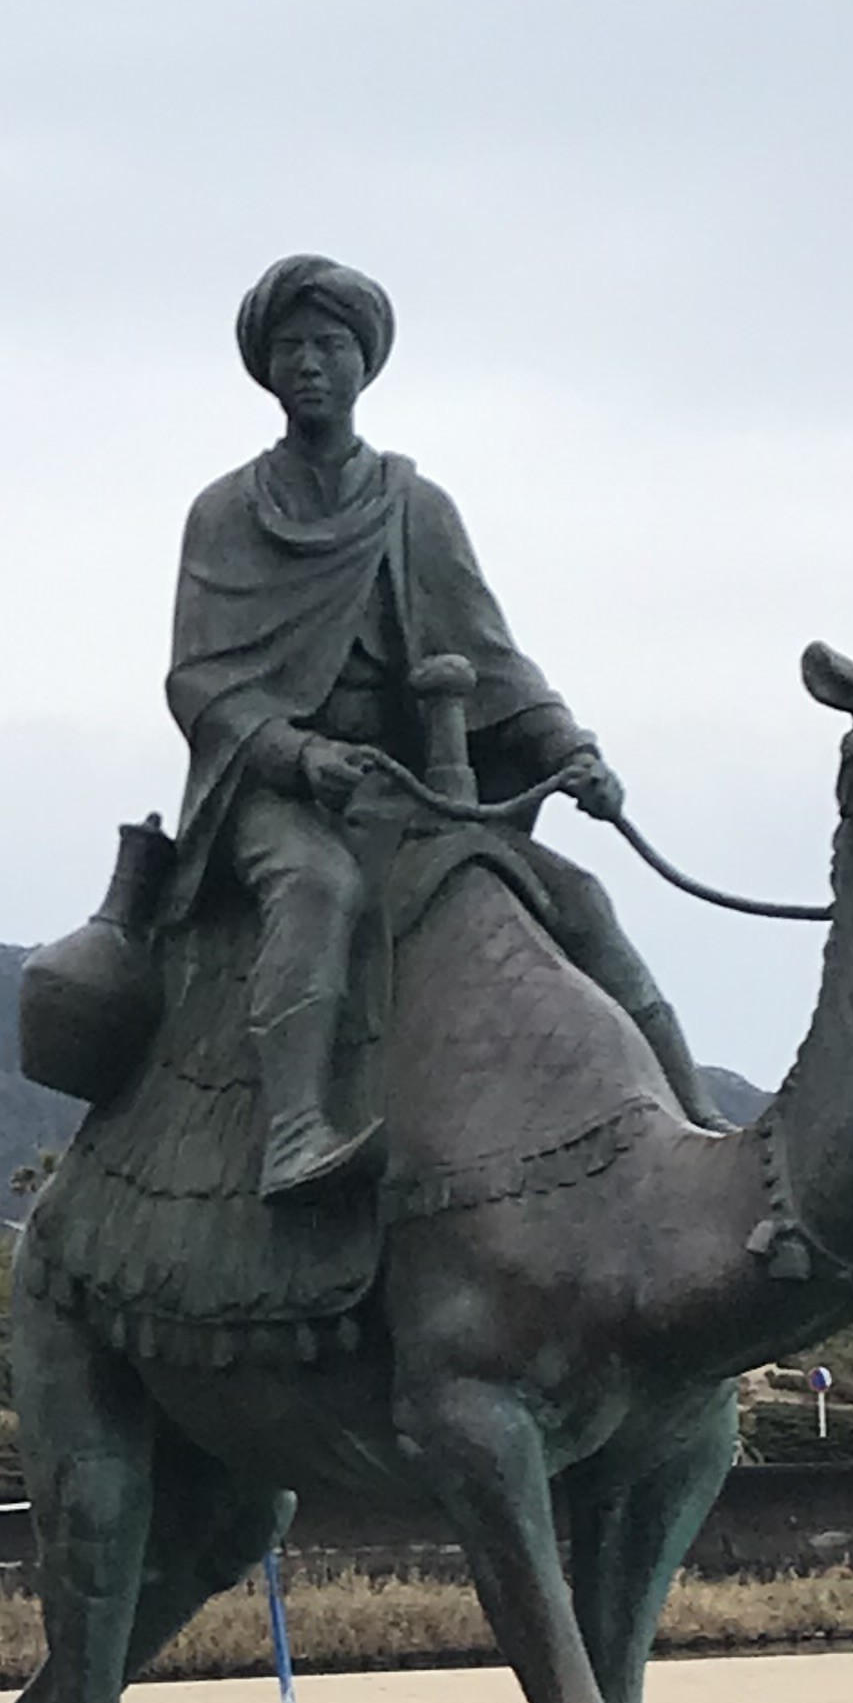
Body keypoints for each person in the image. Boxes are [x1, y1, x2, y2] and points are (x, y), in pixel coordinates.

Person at [166, 256, 716, 1199]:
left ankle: (699, 1123)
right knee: (316, 886)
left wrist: (566, 746)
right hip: (282, 790)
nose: (309, 365)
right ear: (265, 364)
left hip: (412, 789)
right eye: (291, 347)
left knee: (578, 901)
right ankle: (295, 1129)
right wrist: (299, 754)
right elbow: (202, 682)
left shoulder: (415, 509)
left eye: (329, 346)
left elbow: (491, 655)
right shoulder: (226, 513)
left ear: (362, 362)